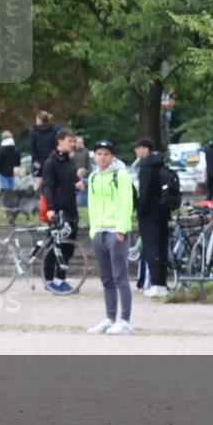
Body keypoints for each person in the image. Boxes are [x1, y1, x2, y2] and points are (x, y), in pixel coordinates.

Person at [86, 140, 135, 335]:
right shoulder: (93, 177)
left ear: (112, 156)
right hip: (99, 231)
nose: (102, 157)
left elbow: (126, 202)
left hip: (116, 230)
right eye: (99, 153)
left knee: (120, 276)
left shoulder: (121, 175)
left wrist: (121, 229)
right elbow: (91, 204)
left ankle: (125, 320)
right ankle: (110, 317)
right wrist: (93, 230)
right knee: (106, 277)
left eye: (106, 154)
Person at [41, 129, 83, 294]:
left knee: (68, 248)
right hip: (58, 211)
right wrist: (51, 209)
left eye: (74, 141)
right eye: (70, 141)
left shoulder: (68, 161)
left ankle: (61, 279)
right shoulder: (51, 162)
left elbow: (68, 183)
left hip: (71, 210)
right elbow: (48, 187)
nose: (73, 144)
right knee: (54, 247)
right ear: (60, 141)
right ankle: (48, 280)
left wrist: (77, 185)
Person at [133, 137, 170, 298]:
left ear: (145, 149)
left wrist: (140, 210)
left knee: (151, 247)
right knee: (161, 247)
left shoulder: (146, 166)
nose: (135, 151)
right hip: (162, 211)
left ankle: (155, 284)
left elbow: (145, 192)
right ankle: (162, 283)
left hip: (149, 213)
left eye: (137, 148)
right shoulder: (160, 163)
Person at [27, 111, 58, 186]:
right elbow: (56, 145)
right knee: (52, 181)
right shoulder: (54, 131)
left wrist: (35, 160)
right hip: (51, 159)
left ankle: (38, 197)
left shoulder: (33, 132)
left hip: (38, 161)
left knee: (38, 182)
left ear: (39, 120)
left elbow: (30, 147)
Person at [72, 136, 91, 207]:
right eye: (78, 142)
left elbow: (90, 168)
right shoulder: (71, 152)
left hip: (83, 178)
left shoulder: (86, 152)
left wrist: (84, 171)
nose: (80, 144)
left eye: (81, 143)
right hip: (72, 177)